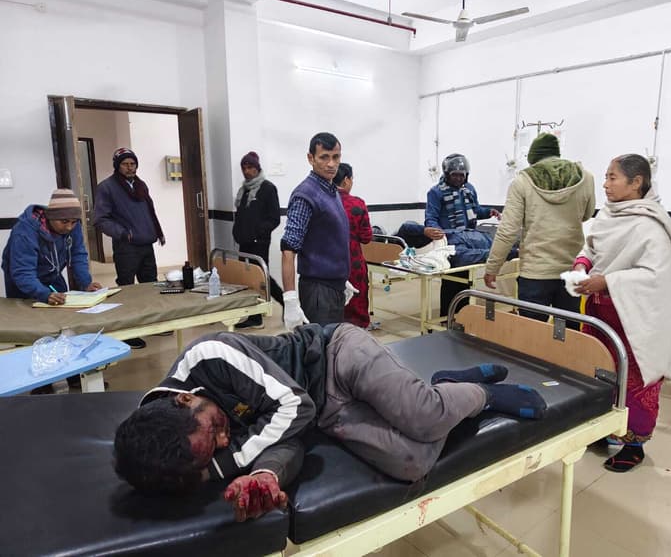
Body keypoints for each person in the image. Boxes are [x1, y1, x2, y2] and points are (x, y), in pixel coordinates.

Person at [113, 324, 548, 521]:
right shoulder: (186, 450)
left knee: (425, 416)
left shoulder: (210, 354)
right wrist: (264, 475)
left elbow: (294, 407)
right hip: (323, 414)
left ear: (185, 399)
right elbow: (286, 441)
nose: (225, 440)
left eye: (216, 431)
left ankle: (482, 395)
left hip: (335, 355)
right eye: (214, 449)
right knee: (412, 462)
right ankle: (447, 387)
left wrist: (225, 465)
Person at [572, 154, 671, 472]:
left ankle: (634, 444)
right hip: (600, 316)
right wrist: (582, 264)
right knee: (600, 372)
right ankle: (603, 428)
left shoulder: (652, 225)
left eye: (612, 177)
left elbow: (654, 277)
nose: (605, 184)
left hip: (636, 320)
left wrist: (606, 280)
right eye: (606, 176)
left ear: (636, 182)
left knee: (636, 381)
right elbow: (592, 247)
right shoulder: (608, 215)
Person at [484, 133, 595, 328]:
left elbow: (508, 231)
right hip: (571, 269)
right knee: (568, 334)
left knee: (532, 335)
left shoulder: (522, 182)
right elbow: (587, 214)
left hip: (535, 273)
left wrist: (492, 268)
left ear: (533, 158)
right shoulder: (585, 178)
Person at [2, 188, 102, 393]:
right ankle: (40, 383)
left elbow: (78, 254)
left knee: (66, 325)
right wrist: (43, 294)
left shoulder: (72, 226)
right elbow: (22, 273)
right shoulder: (25, 231)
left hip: (52, 276)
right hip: (22, 281)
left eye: (73, 222)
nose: (69, 227)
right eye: (64, 222)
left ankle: (74, 374)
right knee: (31, 330)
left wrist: (85, 283)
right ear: (50, 217)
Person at [93, 148, 165, 349]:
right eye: (125, 164)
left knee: (150, 285)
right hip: (126, 246)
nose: (130, 167)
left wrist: (156, 231)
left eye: (132, 163)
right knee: (127, 289)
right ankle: (128, 332)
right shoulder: (107, 187)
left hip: (146, 243)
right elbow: (100, 219)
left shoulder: (141, 185)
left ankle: (153, 324)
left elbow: (150, 212)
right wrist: (124, 233)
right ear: (117, 166)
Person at [280, 132, 352, 331]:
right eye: (324, 157)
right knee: (320, 346)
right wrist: (290, 299)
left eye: (336, 157)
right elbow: (288, 249)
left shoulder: (330, 190)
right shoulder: (305, 195)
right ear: (310, 158)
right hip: (318, 291)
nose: (331, 164)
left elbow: (329, 239)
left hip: (333, 286)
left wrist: (340, 276)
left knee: (333, 344)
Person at [425, 153, 500, 316]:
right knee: (451, 281)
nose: (459, 178)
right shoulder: (435, 192)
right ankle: (447, 317)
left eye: (462, 175)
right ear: (447, 174)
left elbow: (475, 211)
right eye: (455, 175)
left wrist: (489, 212)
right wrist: (435, 231)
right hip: (450, 242)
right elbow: (431, 217)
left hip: (469, 239)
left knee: (466, 280)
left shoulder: (469, 189)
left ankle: (463, 316)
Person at [231, 151, 284, 330]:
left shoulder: (268, 188)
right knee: (248, 278)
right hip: (244, 242)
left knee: (260, 277)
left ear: (257, 168)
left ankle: (278, 305)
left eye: (250, 167)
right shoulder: (244, 190)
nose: (247, 171)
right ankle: (255, 314)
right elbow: (241, 216)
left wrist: (257, 232)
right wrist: (237, 232)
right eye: (244, 168)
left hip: (259, 242)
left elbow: (274, 218)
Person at [333, 163, 373, 328]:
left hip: (328, 262)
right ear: (346, 180)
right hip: (353, 261)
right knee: (356, 301)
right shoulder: (357, 204)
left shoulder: (323, 201)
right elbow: (366, 237)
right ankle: (357, 335)